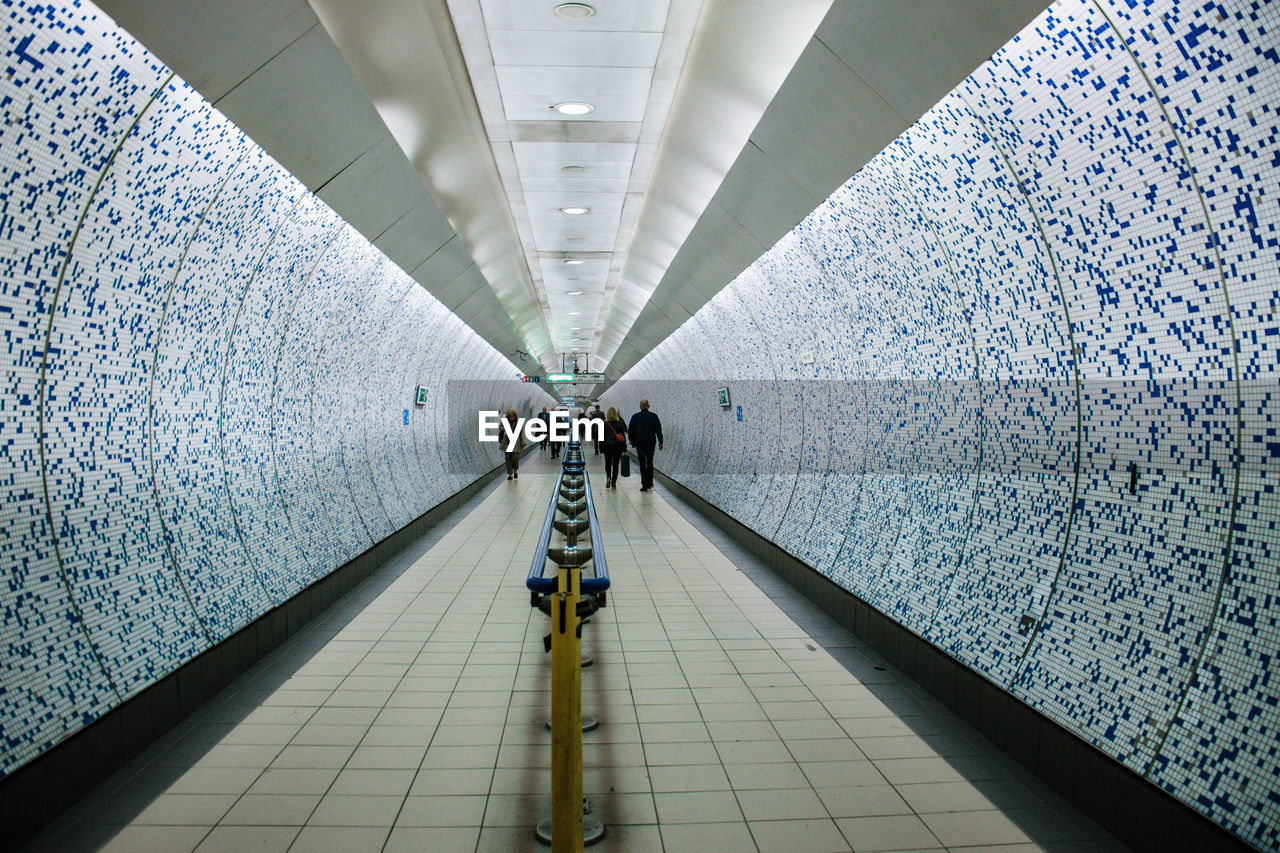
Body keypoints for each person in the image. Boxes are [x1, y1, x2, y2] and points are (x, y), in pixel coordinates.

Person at [627, 399, 663, 492]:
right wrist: (660, 442)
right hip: (651, 442)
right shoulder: (654, 416)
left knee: (642, 463)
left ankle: (644, 485)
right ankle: (650, 482)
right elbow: (658, 430)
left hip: (639, 443)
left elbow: (630, 429)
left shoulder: (635, 416)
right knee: (650, 462)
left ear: (640, 407)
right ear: (649, 406)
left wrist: (631, 440)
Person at [601, 407, 627, 488]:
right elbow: (623, 437)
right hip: (617, 447)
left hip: (607, 446)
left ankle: (608, 477)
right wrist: (624, 448)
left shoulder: (604, 424)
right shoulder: (620, 423)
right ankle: (614, 481)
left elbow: (601, 437)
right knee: (615, 465)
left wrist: (600, 448)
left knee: (608, 463)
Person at [504, 409, 525, 480]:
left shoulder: (518, 423)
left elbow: (521, 434)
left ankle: (515, 470)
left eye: (512, 416)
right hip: (507, 443)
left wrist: (523, 443)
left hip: (516, 444)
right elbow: (500, 432)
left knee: (515, 458)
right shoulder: (505, 423)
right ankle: (510, 474)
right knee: (508, 459)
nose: (511, 417)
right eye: (510, 416)